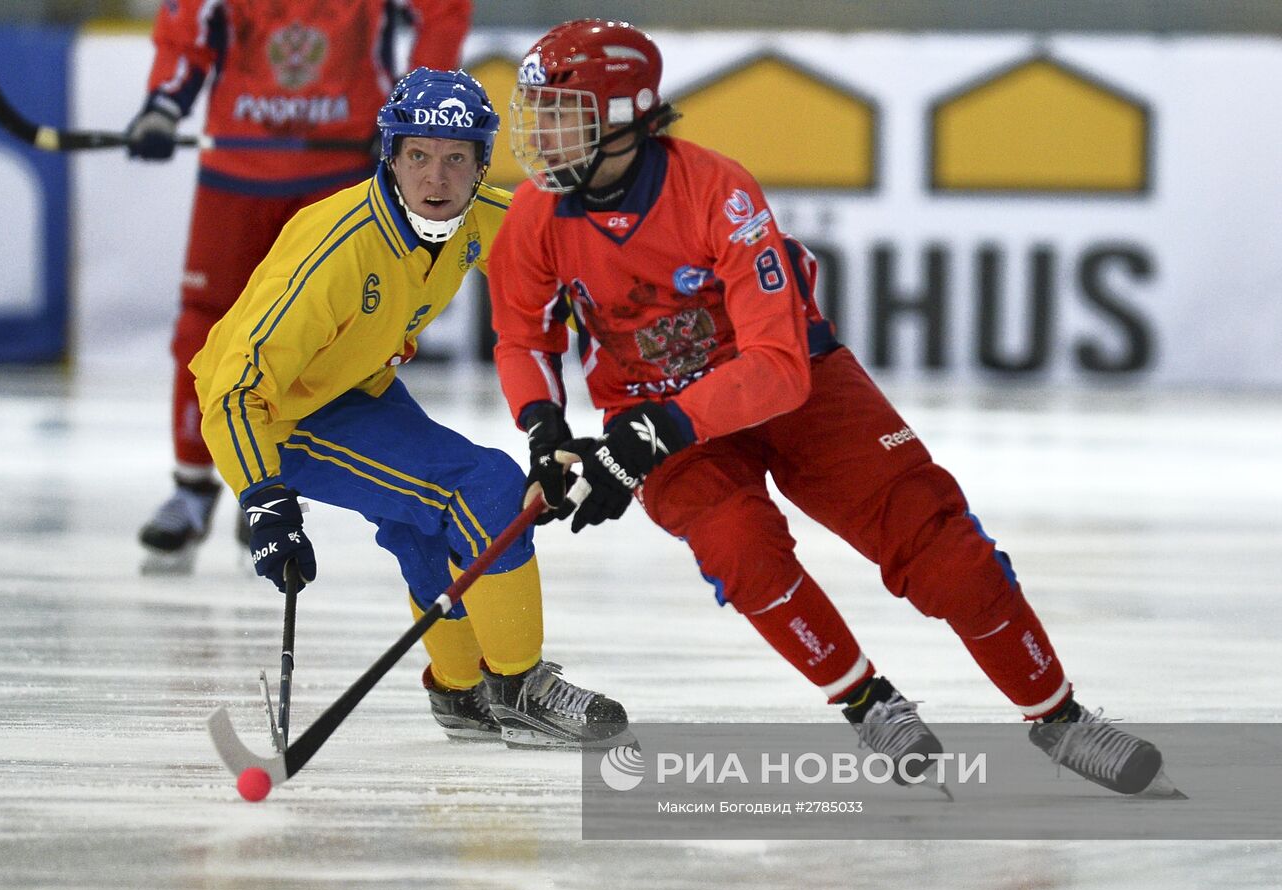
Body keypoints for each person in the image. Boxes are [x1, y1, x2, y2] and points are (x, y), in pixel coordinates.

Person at [489, 19, 1172, 794]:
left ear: (625, 117)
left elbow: (777, 368)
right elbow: (523, 338)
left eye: (561, 113)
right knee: (740, 550)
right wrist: (545, 431)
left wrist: (652, 432)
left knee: (944, 549)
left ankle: (1059, 716)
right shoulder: (534, 220)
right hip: (659, 419)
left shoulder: (717, 190)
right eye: (536, 110)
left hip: (788, 390)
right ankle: (866, 698)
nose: (540, 135)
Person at [189, 67, 629, 749]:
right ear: (390, 157)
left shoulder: (479, 215)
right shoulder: (335, 249)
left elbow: (576, 262)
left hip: (354, 389)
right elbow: (235, 390)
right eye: (418, 155)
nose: (436, 179)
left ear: (482, 162)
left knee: (425, 522)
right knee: (480, 485)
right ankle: (518, 684)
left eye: (457, 159)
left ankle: (461, 688)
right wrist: (264, 497)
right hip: (275, 416)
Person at [129, 0, 473, 572]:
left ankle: (267, 472)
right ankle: (191, 487)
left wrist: (408, 110)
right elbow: (185, 27)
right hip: (237, 172)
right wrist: (164, 103)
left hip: (338, 174)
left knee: (317, 339)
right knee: (204, 327)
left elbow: (444, 10)